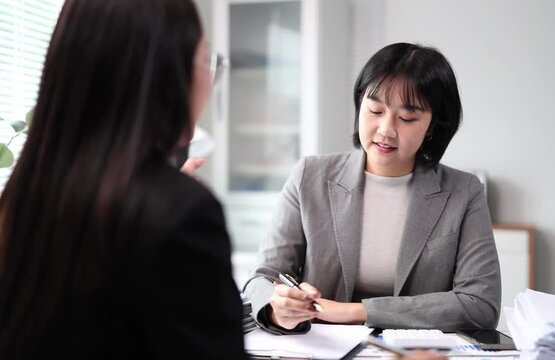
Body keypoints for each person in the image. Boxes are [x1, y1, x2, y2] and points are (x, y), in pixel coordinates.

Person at [0, 0, 247, 358]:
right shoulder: (182, 215)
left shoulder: (21, 196)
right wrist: (169, 200)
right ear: (169, 75)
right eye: (205, 59)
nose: (209, 81)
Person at [244, 42, 501, 334]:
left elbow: (481, 306)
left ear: (432, 126)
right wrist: (279, 311)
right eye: (375, 110)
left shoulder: (464, 192)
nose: (386, 130)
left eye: (407, 118)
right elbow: (261, 279)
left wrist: (357, 312)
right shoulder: (310, 177)